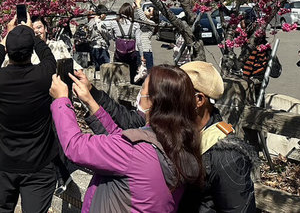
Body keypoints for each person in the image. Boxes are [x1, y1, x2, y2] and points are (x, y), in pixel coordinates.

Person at [74, 62, 257, 212]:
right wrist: (93, 94)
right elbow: (127, 124)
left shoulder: (225, 153)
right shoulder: (166, 129)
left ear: (198, 100)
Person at [49, 65, 202, 212]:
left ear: (153, 101)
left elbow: (76, 147)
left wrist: (61, 101)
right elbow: (118, 139)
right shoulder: (181, 143)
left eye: (142, 89)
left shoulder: (133, 152)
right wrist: (90, 102)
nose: (140, 95)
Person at [0, 16, 59, 213]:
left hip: (4, 163)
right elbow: (48, 56)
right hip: (39, 165)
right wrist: (31, 34)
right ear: (31, 50)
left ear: (8, 50)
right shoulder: (43, 76)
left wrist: (8, 34)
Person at [104, 3, 144, 83]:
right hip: (131, 54)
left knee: (118, 74)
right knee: (132, 73)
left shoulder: (114, 23)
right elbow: (139, 42)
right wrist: (142, 55)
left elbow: (111, 36)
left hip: (119, 53)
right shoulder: (135, 24)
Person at [133, 0, 158, 82]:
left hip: (146, 50)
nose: (146, 9)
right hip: (138, 49)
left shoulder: (152, 24)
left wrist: (139, 5)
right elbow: (136, 17)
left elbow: (143, 19)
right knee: (139, 72)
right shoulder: (142, 22)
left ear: (152, 15)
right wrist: (135, 7)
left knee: (149, 73)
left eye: (149, 9)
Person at [88, 5, 112, 72]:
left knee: (96, 68)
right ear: (102, 14)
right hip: (101, 47)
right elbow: (107, 36)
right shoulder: (100, 23)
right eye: (105, 14)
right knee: (106, 68)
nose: (106, 16)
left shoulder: (90, 22)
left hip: (93, 46)